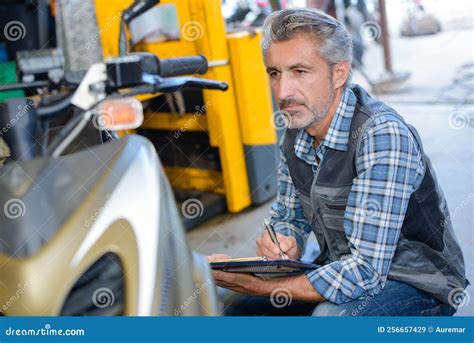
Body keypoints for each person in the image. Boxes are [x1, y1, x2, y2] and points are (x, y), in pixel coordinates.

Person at [208, 8, 467, 316]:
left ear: (339, 73)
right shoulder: (297, 130)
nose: (283, 91)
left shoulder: (381, 137)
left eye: (300, 71)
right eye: (275, 73)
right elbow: (289, 215)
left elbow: (365, 272)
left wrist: (258, 284)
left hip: (419, 285)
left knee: (330, 319)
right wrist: (286, 240)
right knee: (234, 308)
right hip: (342, 266)